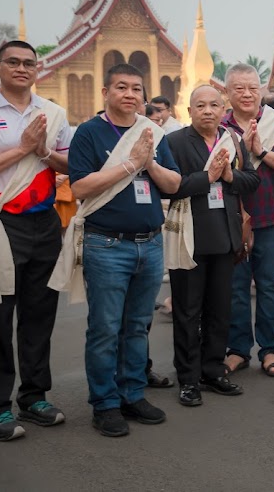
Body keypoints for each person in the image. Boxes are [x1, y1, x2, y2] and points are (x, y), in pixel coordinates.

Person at [0, 40, 72, 441]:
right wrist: (22, 149)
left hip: (45, 221)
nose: (22, 69)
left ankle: (34, 396)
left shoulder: (52, 112)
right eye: (14, 62)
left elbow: (70, 163)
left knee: (40, 314)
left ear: (37, 69)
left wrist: (43, 152)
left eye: (29, 63)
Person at [59, 63, 181, 437]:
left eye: (136, 88)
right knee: (105, 328)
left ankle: (132, 393)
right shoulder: (89, 133)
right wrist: (130, 164)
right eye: (122, 87)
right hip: (107, 244)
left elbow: (173, 184)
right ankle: (105, 403)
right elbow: (80, 187)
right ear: (106, 92)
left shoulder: (153, 132)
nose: (130, 94)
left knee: (137, 326)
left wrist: (149, 163)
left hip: (150, 243)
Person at [162, 85, 260, 406]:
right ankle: (188, 378)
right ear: (189, 111)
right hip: (190, 237)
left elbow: (252, 181)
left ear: (223, 109)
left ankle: (213, 370)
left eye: (214, 105)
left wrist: (229, 177)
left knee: (220, 310)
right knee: (188, 312)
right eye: (200, 105)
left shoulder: (232, 140)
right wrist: (207, 178)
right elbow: (168, 188)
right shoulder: (174, 142)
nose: (208, 111)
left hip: (225, 237)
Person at [221, 63, 274, 377]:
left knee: (267, 286)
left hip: (270, 216)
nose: (247, 94)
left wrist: (261, 151)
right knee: (235, 288)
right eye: (239, 88)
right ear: (227, 92)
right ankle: (238, 349)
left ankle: (269, 350)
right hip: (230, 219)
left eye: (253, 87)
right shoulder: (220, 125)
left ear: (261, 89)